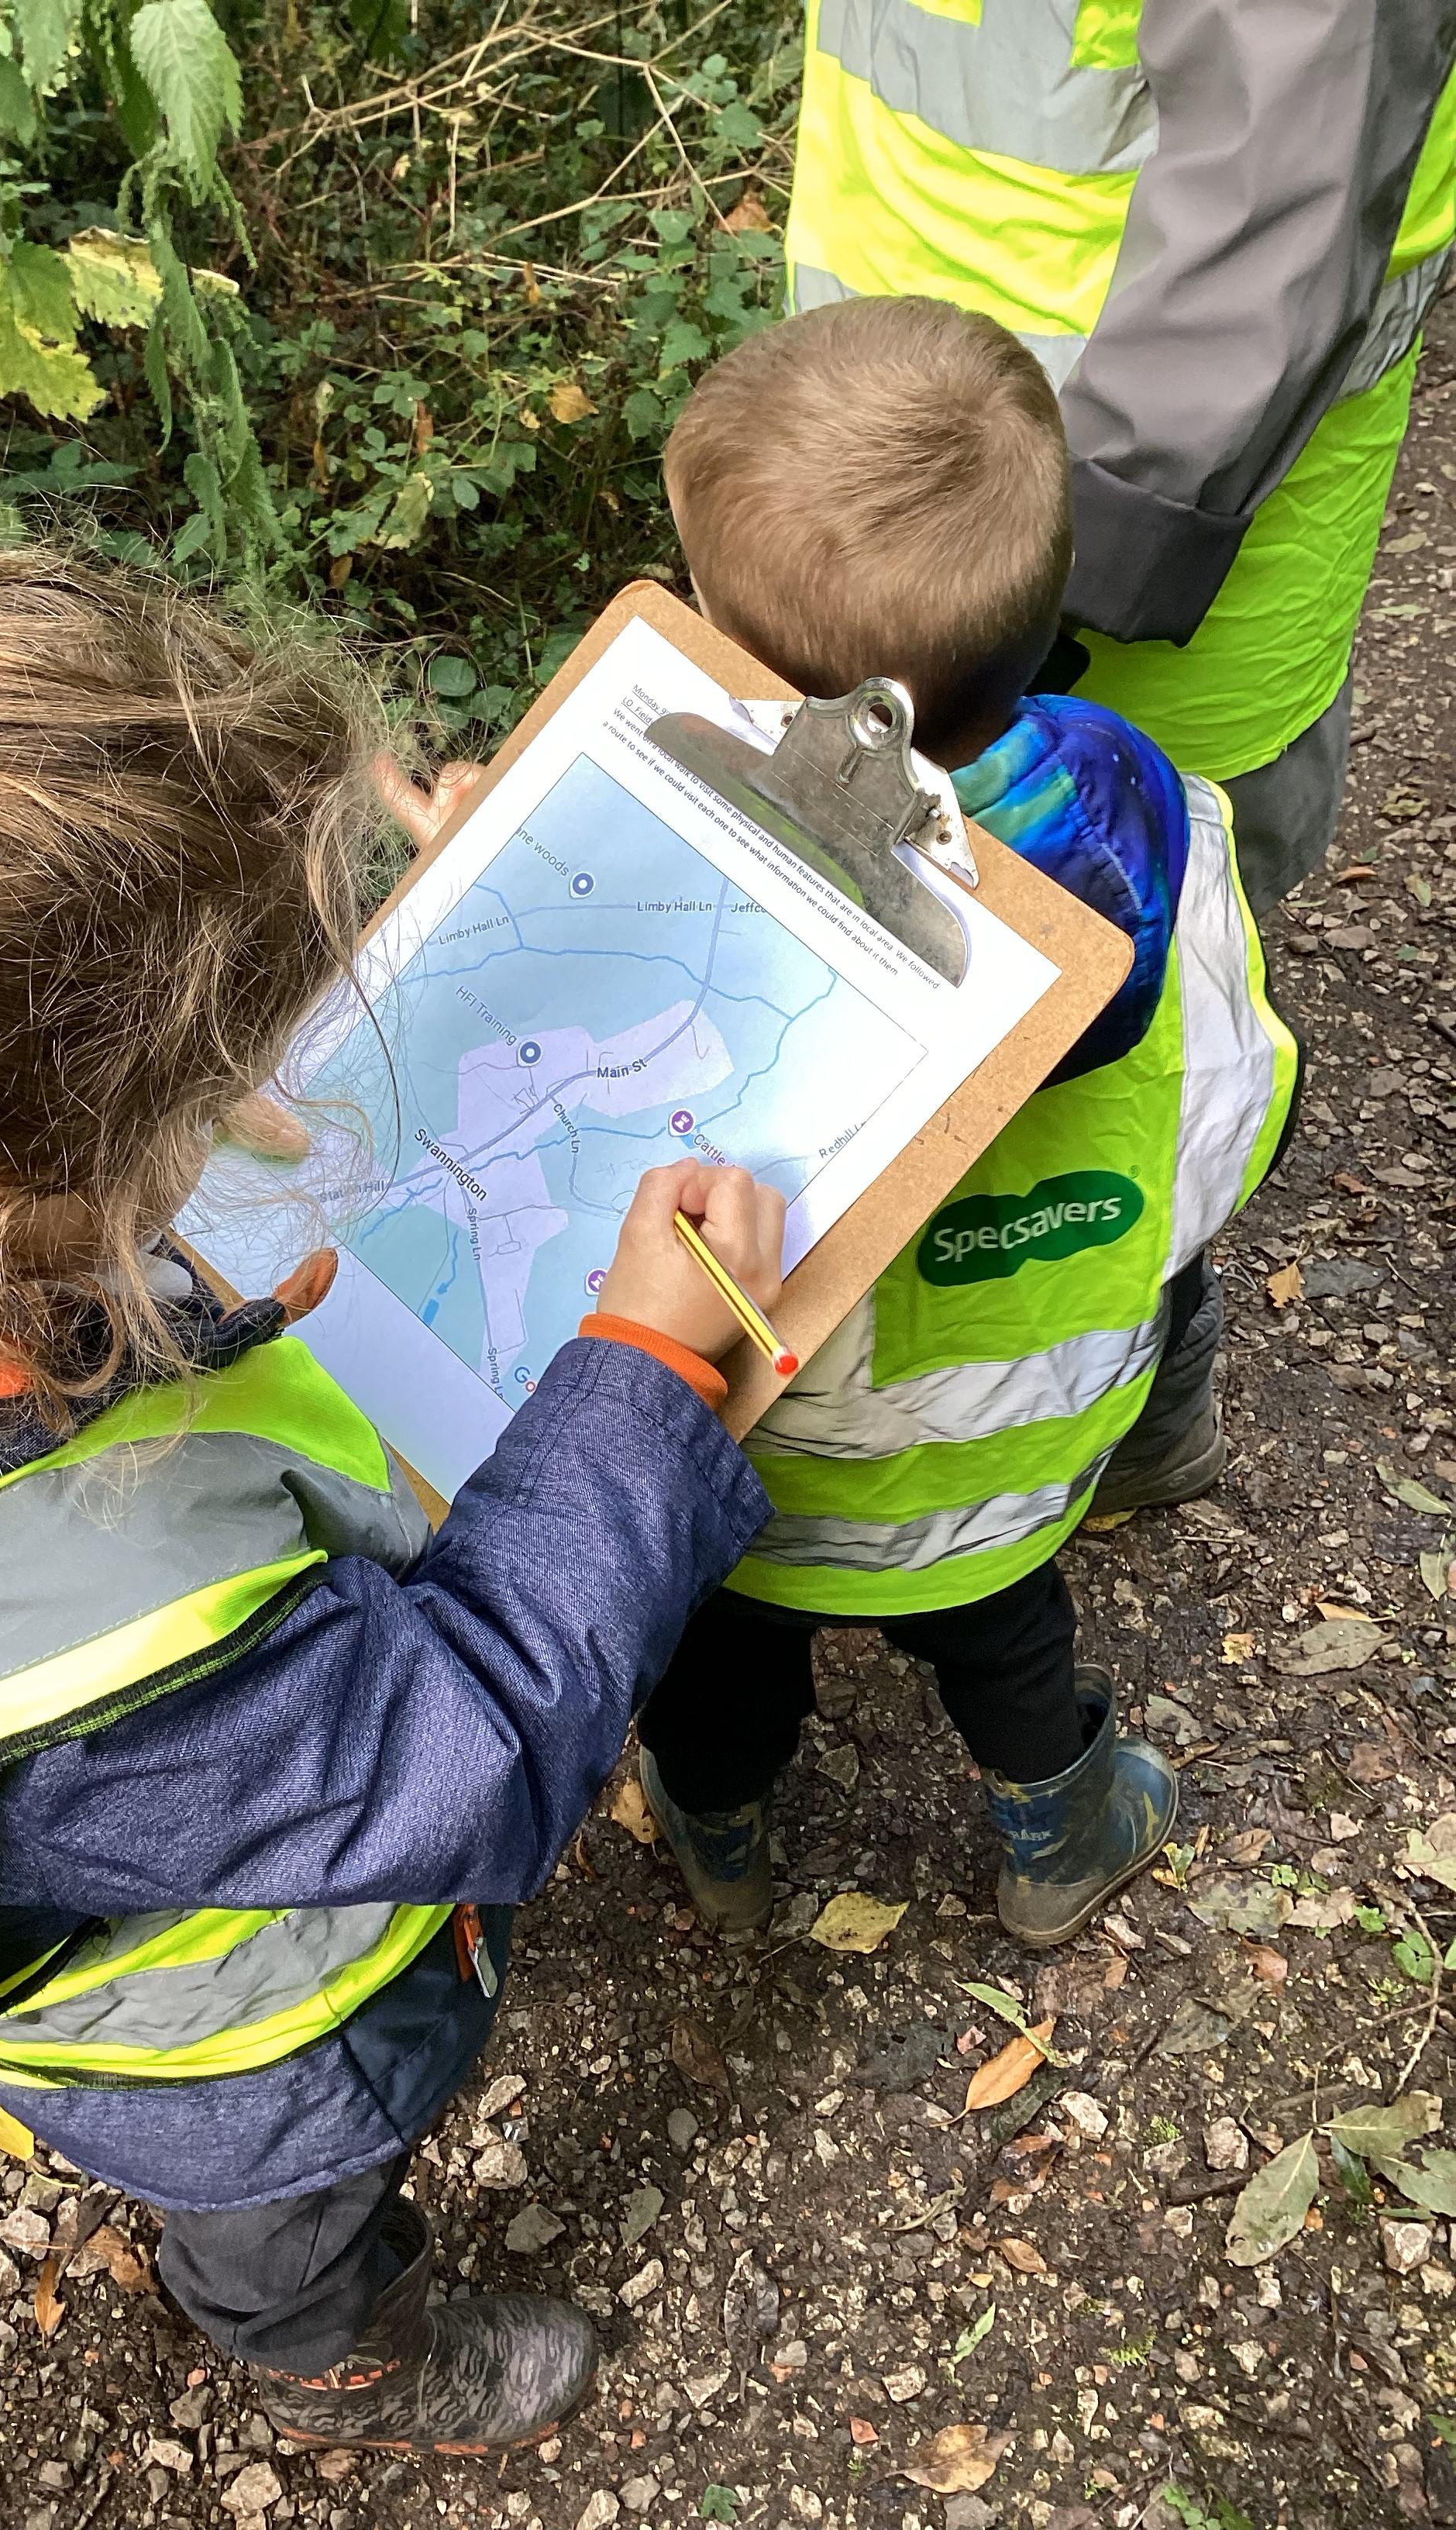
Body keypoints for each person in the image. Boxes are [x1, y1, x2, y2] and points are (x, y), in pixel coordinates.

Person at [0, 526, 787, 2452]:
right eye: (205, 1108)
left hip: (167, 1793)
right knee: (290, 2219)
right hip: (229, 2039)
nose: (251, 1115)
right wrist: (637, 1376)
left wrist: (448, 900)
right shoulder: (73, 1631)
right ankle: (333, 2357)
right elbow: (459, 1755)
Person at [635, 296, 1297, 1946]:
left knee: (716, 1659)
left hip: (751, 1465)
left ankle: (718, 1835)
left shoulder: (670, 877)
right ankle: (1059, 1830)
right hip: (1012, 1445)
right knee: (1005, 1641)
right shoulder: (1134, 821)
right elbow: (1229, 1103)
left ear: (729, 638)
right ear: (1048, 594)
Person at [785, 1, 1456, 910]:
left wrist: (1051, 574)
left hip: (1120, 511)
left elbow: (1285, 190)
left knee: (1139, 930)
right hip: (878, 469)